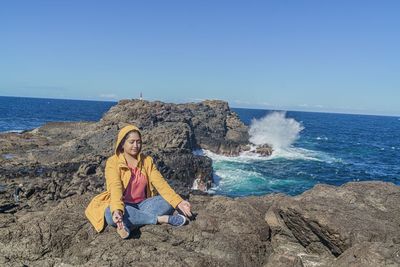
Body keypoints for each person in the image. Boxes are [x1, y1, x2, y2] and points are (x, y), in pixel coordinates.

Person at [85, 125, 192, 239]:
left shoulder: (147, 161)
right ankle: (162, 219)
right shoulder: (113, 162)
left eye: (138, 142)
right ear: (122, 143)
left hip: (143, 205)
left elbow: (161, 184)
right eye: (131, 142)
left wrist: (179, 202)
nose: (136, 145)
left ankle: (129, 224)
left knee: (168, 201)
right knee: (109, 215)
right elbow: (115, 187)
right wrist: (117, 210)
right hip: (123, 206)